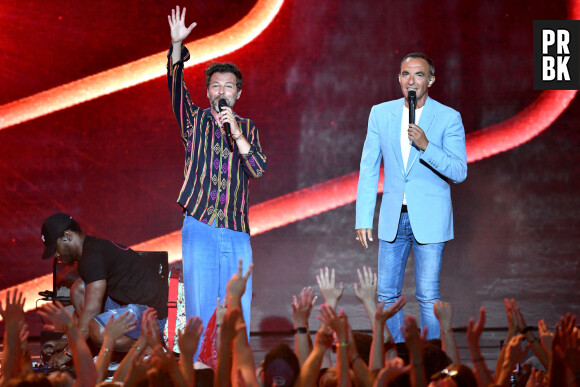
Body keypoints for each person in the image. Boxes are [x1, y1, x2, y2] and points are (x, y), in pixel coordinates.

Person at [166, 5, 266, 361]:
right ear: (208, 92)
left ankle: (236, 374)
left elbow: (256, 168)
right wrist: (177, 48)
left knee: (236, 313)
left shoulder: (248, 127)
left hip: (237, 231)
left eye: (229, 86)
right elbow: (175, 87)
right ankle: (200, 373)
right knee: (201, 310)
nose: (222, 91)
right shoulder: (194, 121)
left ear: (238, 94)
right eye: (216, 85)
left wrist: (237, 132)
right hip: (201, 227)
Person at [355, 53, 467, 343]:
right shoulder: (381, 113)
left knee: (428, 294)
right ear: (399, 79)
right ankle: (395, 358)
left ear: (430, 79)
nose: (411, 81)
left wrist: (426, 145)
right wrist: (363, 218)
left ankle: (430, 362)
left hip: (430, 218)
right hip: (394, 217)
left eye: (418, 75)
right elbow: (369, 168)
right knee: (387, 294)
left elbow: (458, 171)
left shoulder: (448, 117)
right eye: (405, 74)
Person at [40, 213, 168, 366]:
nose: (56, 255)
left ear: (67, 236)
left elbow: (91, 311)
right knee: (79, 289)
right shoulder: (90, 251)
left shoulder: (92, 257)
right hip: (135, 307)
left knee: (97, 331)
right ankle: (116, 354)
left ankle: (151, 350)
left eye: (56, 248)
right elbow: (86, 308)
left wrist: (68, 353)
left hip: (155, 317)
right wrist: (64, 341)